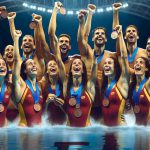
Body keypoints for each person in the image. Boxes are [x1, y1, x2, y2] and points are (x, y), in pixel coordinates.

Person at [77, 7, 116, 120]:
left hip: (105, 103)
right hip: (86, 102)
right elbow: (82, 39)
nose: (99, 35)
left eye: (102, 34)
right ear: (93, 38)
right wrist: (83, 22)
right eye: (97, 33)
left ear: (106, 39)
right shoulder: (86, 53)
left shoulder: (111, 56)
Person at [13, 30, 44, 127]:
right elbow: (17, 60)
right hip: (24, 132)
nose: (34, 65)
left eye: (34, 64)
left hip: (39, 131)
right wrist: (16, 39)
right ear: (25, 70)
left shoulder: (39, 86)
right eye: (30, 64)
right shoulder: (21, 85)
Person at [101, 25, 129, 126]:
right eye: (105, 64)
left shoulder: (121, 84)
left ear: (115, 68)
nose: (106, 65)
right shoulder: (104, 87)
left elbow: (124, 57)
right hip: (107, 132)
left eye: (109, 63)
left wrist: (120, 35)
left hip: (120, 133)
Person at [8, 12, 46, 81]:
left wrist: (38, 24)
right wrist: (11, 20)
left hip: (38, 90)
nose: (27, 42)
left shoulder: (39, 58)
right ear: (21, 46)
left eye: (30, 40)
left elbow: (39, 40)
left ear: (34, 46)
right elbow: (15, 39)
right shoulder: (18, 61)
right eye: (25, 40)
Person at [48, 1, 80, 76]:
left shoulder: (75, 60)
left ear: (70, 46)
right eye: (61, 41)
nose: (64, 43)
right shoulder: (51, 59)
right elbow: (51, 34)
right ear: (57, 44)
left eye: (66, 41)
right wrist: (55, 9)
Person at [130, 56, 150, 125]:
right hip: (137, 128)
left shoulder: (148, 84)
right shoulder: (131, 87)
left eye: (141, 62)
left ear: (146, 68)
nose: (137, 64)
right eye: (136, 62)